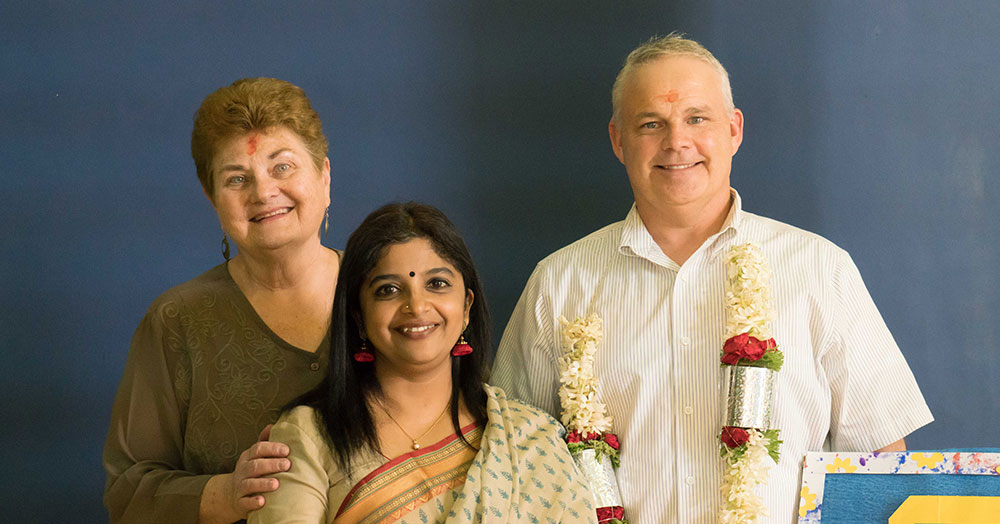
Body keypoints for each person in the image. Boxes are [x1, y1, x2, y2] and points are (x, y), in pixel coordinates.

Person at [492, 34, 933, 523]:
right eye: (651, 124)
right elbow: (516, 463)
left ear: (734, 129)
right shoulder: (559, 284)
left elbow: (880, 462)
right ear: (619, 140)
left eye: (696, 119)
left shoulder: (818, 269)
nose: (676, 142)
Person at [248, 202, 597, 524]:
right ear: (358, 316)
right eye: (388, 290)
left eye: (437, 284)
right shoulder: (309, 437)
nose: (416, 306)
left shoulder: (528, 438)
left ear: (466, 308)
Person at [103, 77, 342, 524]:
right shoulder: (176, 321)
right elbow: (126, 492)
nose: (263, 192)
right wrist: (225, 494)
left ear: (324, 176)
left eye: (283, 167)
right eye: (237, 178)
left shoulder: (390, 297)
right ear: (212, 198)